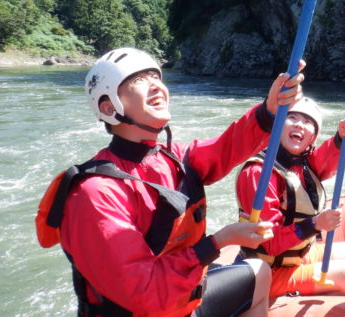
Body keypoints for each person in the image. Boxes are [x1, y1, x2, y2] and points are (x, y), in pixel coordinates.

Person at [36, 47, 305, 317]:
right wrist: (219, 241)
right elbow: (145, 293)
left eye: (156, 77)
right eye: (139, 80)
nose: (156, 86)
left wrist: (270, 110)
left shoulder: (173, 157)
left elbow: (226, 149)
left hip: (182, 301)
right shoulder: (94, 193)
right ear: (109, 107)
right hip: (149, 308)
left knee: (259, 272)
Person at [235, 97, 345, 298]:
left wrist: (341, 137)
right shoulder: (258, 173)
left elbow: (330, 158)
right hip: (264, 272)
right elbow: (269, 242)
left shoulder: (304, 165)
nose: (300, 125)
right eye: (292, 118)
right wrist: (315, 224)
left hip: (291, 259)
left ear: (312, 138)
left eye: (308, 122)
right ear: (277, 127)